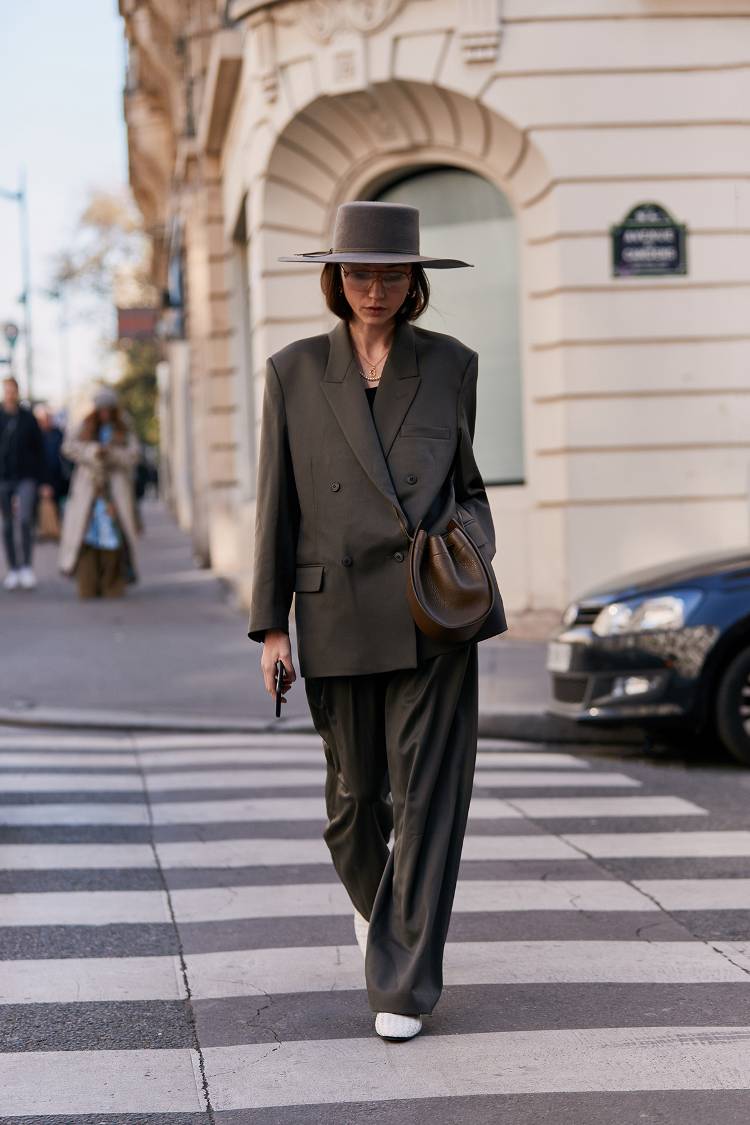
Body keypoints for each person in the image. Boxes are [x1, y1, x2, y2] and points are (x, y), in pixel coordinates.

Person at [248, 201, 507, 1042]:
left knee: (428, 797)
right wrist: (271, 625)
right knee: (356, 800)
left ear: (414, 282)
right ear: (335, 278)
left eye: (391, 274)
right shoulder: (291, 371)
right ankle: (383, 909)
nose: (374, 289)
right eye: (359, 273)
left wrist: (467, 545)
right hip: (332, 610)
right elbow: (274, 508)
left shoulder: (452, 364)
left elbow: (469, 484)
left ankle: (402, 985)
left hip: (430, 610)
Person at [59, 388, 140, 598]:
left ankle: (113, 585)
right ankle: (88, 585)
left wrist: (111, 454)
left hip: (114, 491)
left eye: (108, 410)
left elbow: (133, 454)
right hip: (89, 489)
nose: (104, 414)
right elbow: (68, 447)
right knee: (86, 537)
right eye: (101, 410)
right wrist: (92, 452)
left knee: (113, 537)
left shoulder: (123, 426)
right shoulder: (84, 425)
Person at [0, 375, 45, 591]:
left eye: (12, 390)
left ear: (17, 392)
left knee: (25, 519)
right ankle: (13, 569)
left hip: (26, 476)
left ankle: (27, 566)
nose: (10, 394)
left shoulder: (28, 418)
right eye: (6, 390)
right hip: (3, 478)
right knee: (7, 525)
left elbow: (40, 450)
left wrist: (44, 481)